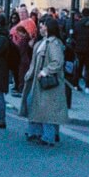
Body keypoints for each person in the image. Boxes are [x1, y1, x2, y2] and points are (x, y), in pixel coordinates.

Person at [23, 16, 68, 145]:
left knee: (47, 110)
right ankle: (36, 132)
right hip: (38, 81)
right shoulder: (42, 42)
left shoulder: (53, 44)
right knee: (35, 104)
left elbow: (57, 62)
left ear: (48, 28)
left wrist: (45, 71)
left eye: (42, 25)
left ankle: (47, 136)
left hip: (47, 82)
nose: (40, 27)